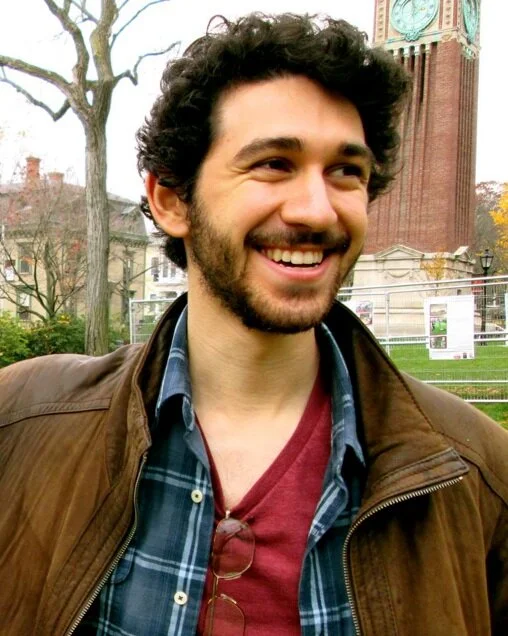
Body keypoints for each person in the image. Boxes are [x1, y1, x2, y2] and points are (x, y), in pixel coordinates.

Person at [0, 13, 507, 636]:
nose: (317, 210)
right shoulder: (23, 424)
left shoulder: (477, 474)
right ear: (172, 201)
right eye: (273, 164)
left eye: (346, 172)